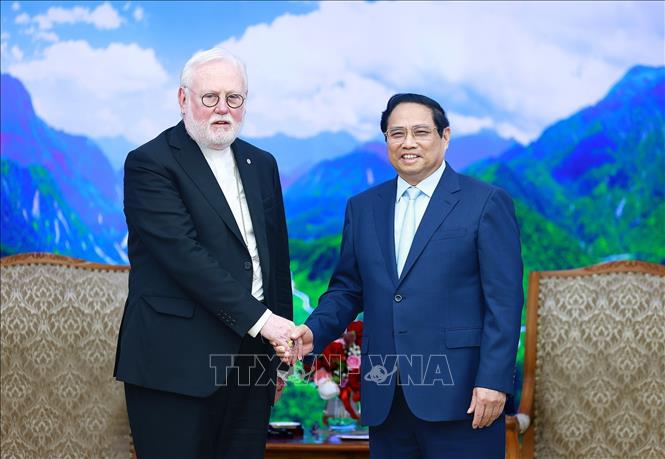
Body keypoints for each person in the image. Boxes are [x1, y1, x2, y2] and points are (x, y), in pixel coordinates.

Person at [279, 93, 523, 458]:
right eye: (397, 134)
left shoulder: (485, 202)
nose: (408, 142)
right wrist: (313, 332)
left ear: (445, 136)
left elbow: (504, 302)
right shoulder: (363, 207)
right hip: (386, 399)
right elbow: (347, 289)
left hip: (465, 398)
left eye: (420, 132)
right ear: (387, 141)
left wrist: (493, 380)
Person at [114, 47, 294, 459]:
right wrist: (266, 323)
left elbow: (274, 261)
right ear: (183, 99)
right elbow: (185, 258)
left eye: (234, 98)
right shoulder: (149, 163)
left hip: (252, 363)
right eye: (209, 97)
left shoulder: (261, 163)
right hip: (174, 364)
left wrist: (279, 357)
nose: (222, 109)